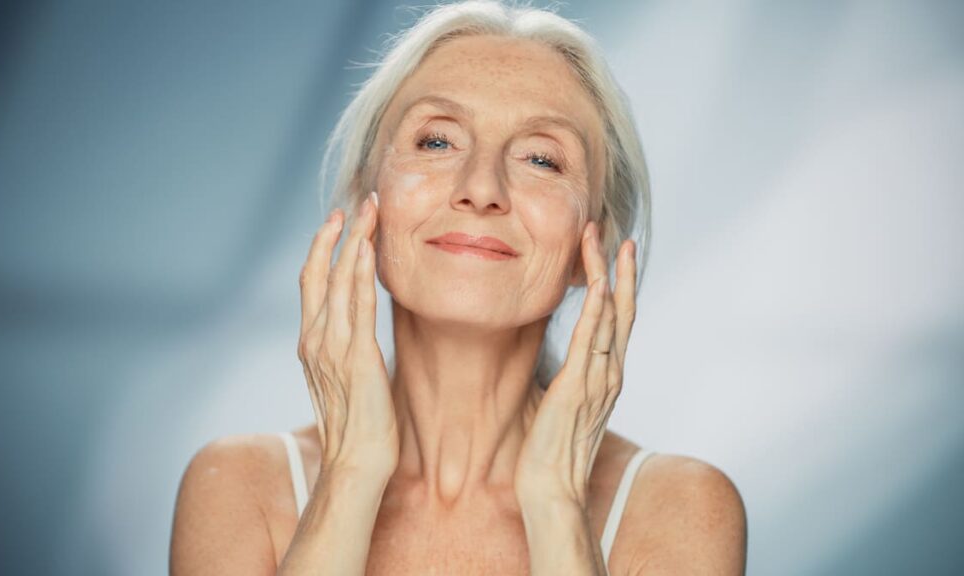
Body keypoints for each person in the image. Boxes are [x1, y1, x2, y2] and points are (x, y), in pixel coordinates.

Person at [169, 1, 747, 574]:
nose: (480, 186)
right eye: (437, 142)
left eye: (542, 159)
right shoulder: (238, 486)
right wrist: (351, 472)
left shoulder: (680, 509)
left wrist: (557, 505)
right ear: (367, 199)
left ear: (589, 242)